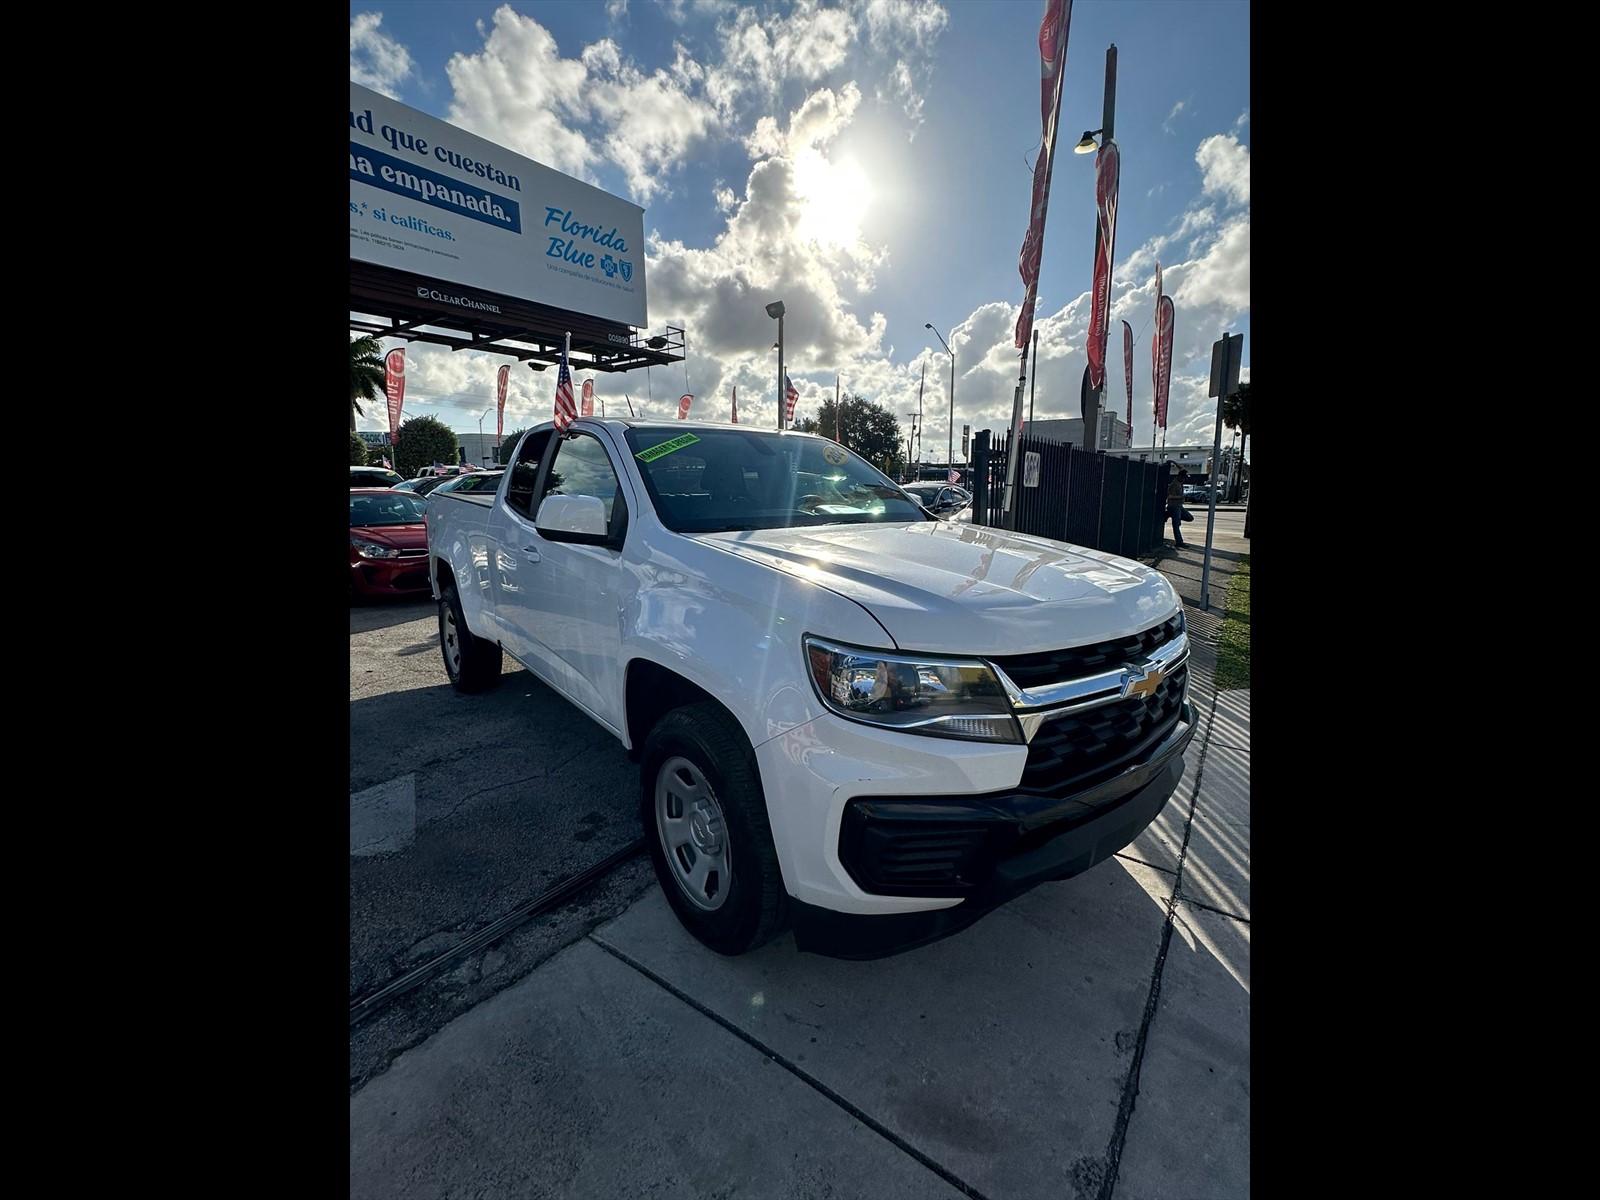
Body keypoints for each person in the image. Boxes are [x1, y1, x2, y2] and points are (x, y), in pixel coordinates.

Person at [1166, 464, 1189, 548]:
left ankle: (1168, 514)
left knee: (1189, 517)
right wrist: (1181, 497)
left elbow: (1181, 467)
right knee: (1176, 525)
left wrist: (1173, 462)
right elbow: (1169, 496)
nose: (1184, 479)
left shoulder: (1180, 481)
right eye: (1183, 478)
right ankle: (1179, 542)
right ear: (1180, 476)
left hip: (1179, 506)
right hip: (1174, 506)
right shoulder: (1174, 484)